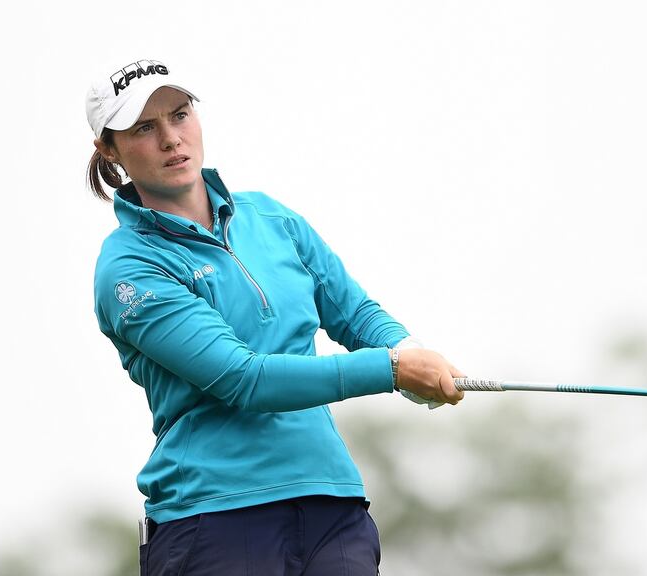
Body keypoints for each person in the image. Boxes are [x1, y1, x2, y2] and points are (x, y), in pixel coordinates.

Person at [85, 59, 465, 575]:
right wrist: (393, 370)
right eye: (144, 128)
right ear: (110, 149)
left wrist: (411, 352)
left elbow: (354, 314)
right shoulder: (129, 268)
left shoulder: (271, 217)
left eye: (179, 115)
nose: (172, 139)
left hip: (332, 504)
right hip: (213, 517)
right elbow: (245, 379)